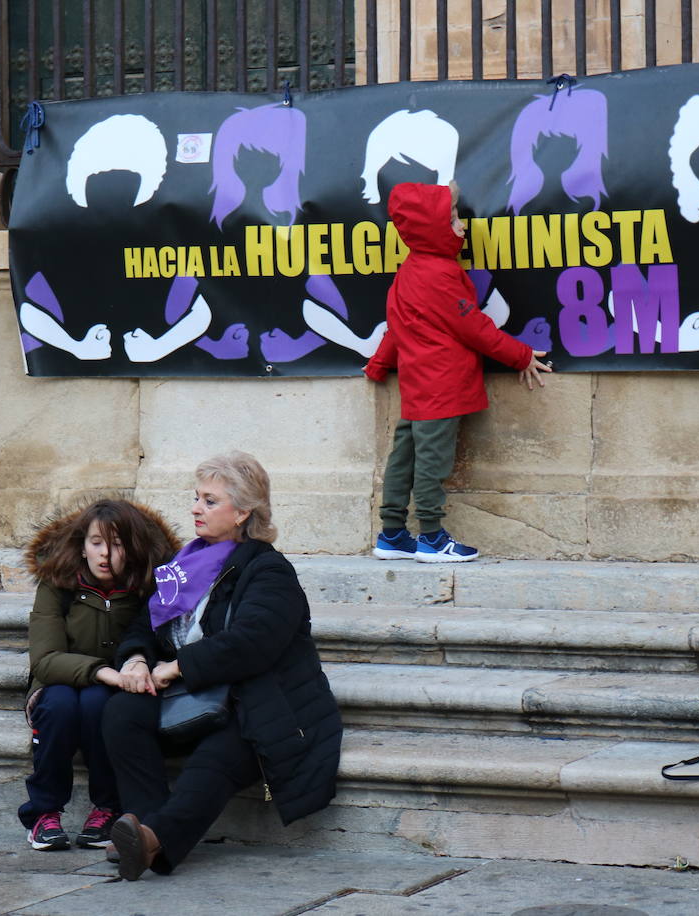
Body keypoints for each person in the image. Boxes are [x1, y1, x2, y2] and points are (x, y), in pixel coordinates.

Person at [101, 452, 343, 880]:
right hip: (196, 698)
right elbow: (145, 624)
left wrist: (175, 668)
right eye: (196, 498)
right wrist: (137, 659)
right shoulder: (183, 565)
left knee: (221, 754)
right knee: (122, 711)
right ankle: (141, 827)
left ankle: (153, 840)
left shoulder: (268, 571)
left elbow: (252, 643)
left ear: (243, 512)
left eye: (210, 501)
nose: (196, 508)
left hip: (259, 704)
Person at [364, 181, 552, 562]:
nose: (462, 227)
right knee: (433, 462)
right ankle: (431, 537)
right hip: (441, 386)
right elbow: (474, 327)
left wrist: (379, 365)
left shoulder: (410, 271)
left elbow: (397, 326)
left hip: (419, 386)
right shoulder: (439, 274)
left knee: (405, 456)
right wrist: (520, 355)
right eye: (452, 221)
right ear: (430, 229)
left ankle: (392, 533)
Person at [17, 499, 179, 851]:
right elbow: (44, 660)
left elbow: (157, 641)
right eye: (96, 543)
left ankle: (106, 808)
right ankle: (43, 813)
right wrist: (103, 672)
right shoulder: (57, 583)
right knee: (59, 707)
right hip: (59, 681)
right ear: (82, 546)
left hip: (113, 689)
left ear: (133, 547)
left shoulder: (145, 587)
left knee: (97, 706)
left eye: (117, 544)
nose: (106, 554)